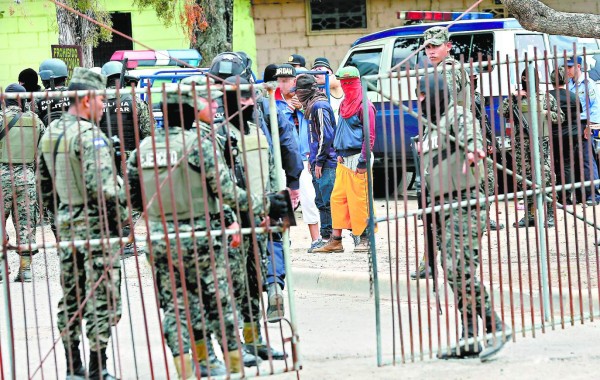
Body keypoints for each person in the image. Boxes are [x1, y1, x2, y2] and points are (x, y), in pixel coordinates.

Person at [38, 67, 127, 379]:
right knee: (103, 297)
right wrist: (123, 213)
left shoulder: (50, 133)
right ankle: (97, 368)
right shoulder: (91, 137)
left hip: (66, 226)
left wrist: (59, 219)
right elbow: (102, 189)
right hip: (95, 229)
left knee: (72, 296)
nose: (104, 105)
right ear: (88, 100)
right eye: (102, 99)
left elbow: (44, 186)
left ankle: (72, 366)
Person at [257, 65, 303, 321]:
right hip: (272, 183)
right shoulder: (267, 106)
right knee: (276, 238)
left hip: (228, 189)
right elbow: (290, 145)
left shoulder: (210, 105)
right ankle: (275, 286)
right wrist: (293, 182)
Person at [314, 66, 376, 253]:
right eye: (343, 82)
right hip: (342, 159)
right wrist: (337, 150)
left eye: (349, 82)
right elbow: (342, 129)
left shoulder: (365, 105)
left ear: (357, 83)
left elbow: (370, 136)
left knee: (360, 201)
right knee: (337, 199)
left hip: (358, 158)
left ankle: (365, 238)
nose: (345, 86)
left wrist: (363, 162)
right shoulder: (344, 104)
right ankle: (336, 240)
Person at [99, 60, 151, 258]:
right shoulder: (135, 101)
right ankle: (126, 241)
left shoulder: (96, 100)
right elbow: (147, 134)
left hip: (102, 156)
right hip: (129, 157)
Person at [500, 67, 561, 227]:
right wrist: (513, 97)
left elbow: (560, 117)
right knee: (525, 180)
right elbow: (502, 112)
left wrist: (547, 113)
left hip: (542, 142)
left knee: (547, 177)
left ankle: (550, 215)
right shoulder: (516, 97)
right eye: (525, 78)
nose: (527, 81)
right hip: (521, 144)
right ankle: (530, 215)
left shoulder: (546, 97)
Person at [274, 64, 324, 252]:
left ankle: (316, 238)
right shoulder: (274, 102)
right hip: (284, 157)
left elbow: (317, 123)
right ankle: (284, 239)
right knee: (284, 198)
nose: (282, 85)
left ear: (294, 82)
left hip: (304, 156)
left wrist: (302, 109)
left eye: (286, 81)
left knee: (309, 198)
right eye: (279, 81)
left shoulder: (307, 100)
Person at [0, 84, 45, 282]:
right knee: (26, 223)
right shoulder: (36, 121)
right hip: (27, 178)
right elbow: (43, 152)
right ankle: (25, 270)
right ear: (24, 100)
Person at [295, 74, 337, 246]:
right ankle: (326, 237)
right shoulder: (311, 105)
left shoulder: (319, 106)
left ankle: (334, 239)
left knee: (328, 201)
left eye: (298, 92)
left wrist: (318, 161)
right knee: (321, 201)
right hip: (316, 162)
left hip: (326, 163)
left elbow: (326, 137)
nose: (296, 95)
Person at [564, 56, 600, 205]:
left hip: (586, 124)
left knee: (587, 160)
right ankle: (580, 195)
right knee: (575, 160)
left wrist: (590, 127)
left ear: (578, 66)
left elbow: (595, 107)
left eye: (570, 67)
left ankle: (593, 195)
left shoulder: (588, 84)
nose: (567, 70)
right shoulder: (570, 85)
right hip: (572, 124)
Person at [550, 66, 581, 205]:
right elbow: (578, 112)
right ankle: (566, 198)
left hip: (552, 135)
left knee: (552, 165)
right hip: (571, 135)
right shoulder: (573, 97)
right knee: (567, 165)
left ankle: (553, 196)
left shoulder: (547, 96)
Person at [312, 57, 345, 122]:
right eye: (315, 70)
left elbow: (327, 80)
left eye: (319, 69)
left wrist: (311, 76)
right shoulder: (317, 84)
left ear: (329, 72)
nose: (316, 73)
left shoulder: (335, 79)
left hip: (338, 126)